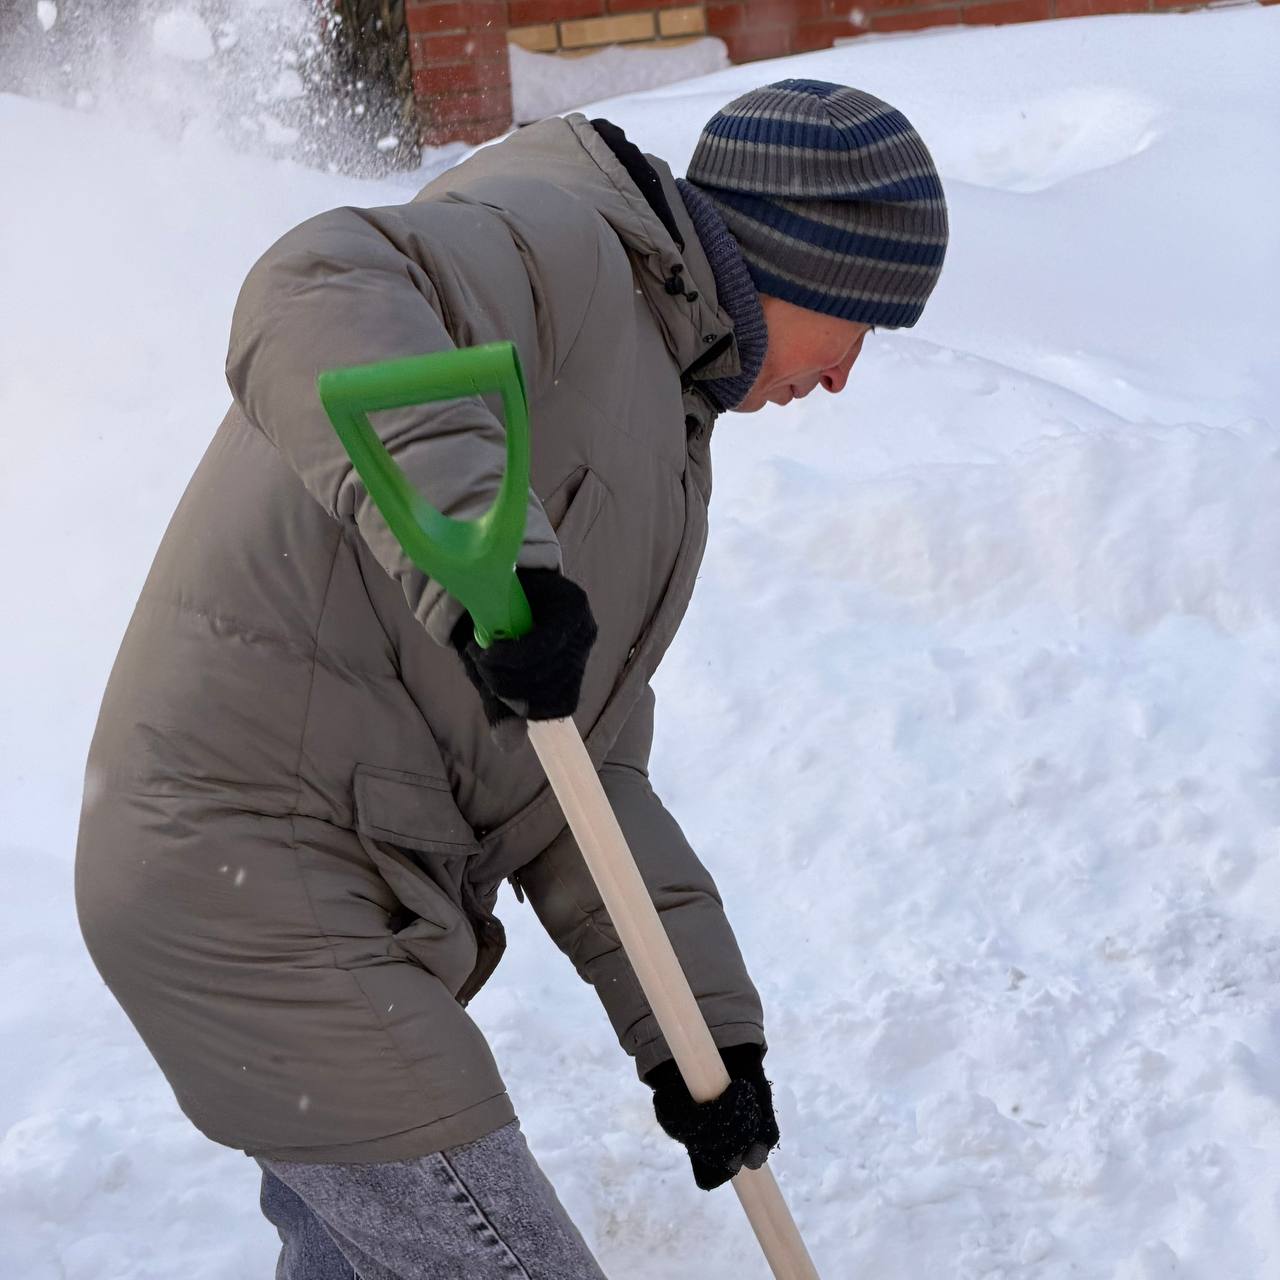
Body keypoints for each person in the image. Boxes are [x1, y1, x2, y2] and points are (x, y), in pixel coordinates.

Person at [74, 80, 948, 1278]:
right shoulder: (568, 247)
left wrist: (698, 1040)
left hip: (341, 894)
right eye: (858, 325)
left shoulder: (661, 418)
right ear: (793, 259)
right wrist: (494, 548)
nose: (844, 375)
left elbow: (577, 776)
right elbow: (315, 285)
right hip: (257, 881)